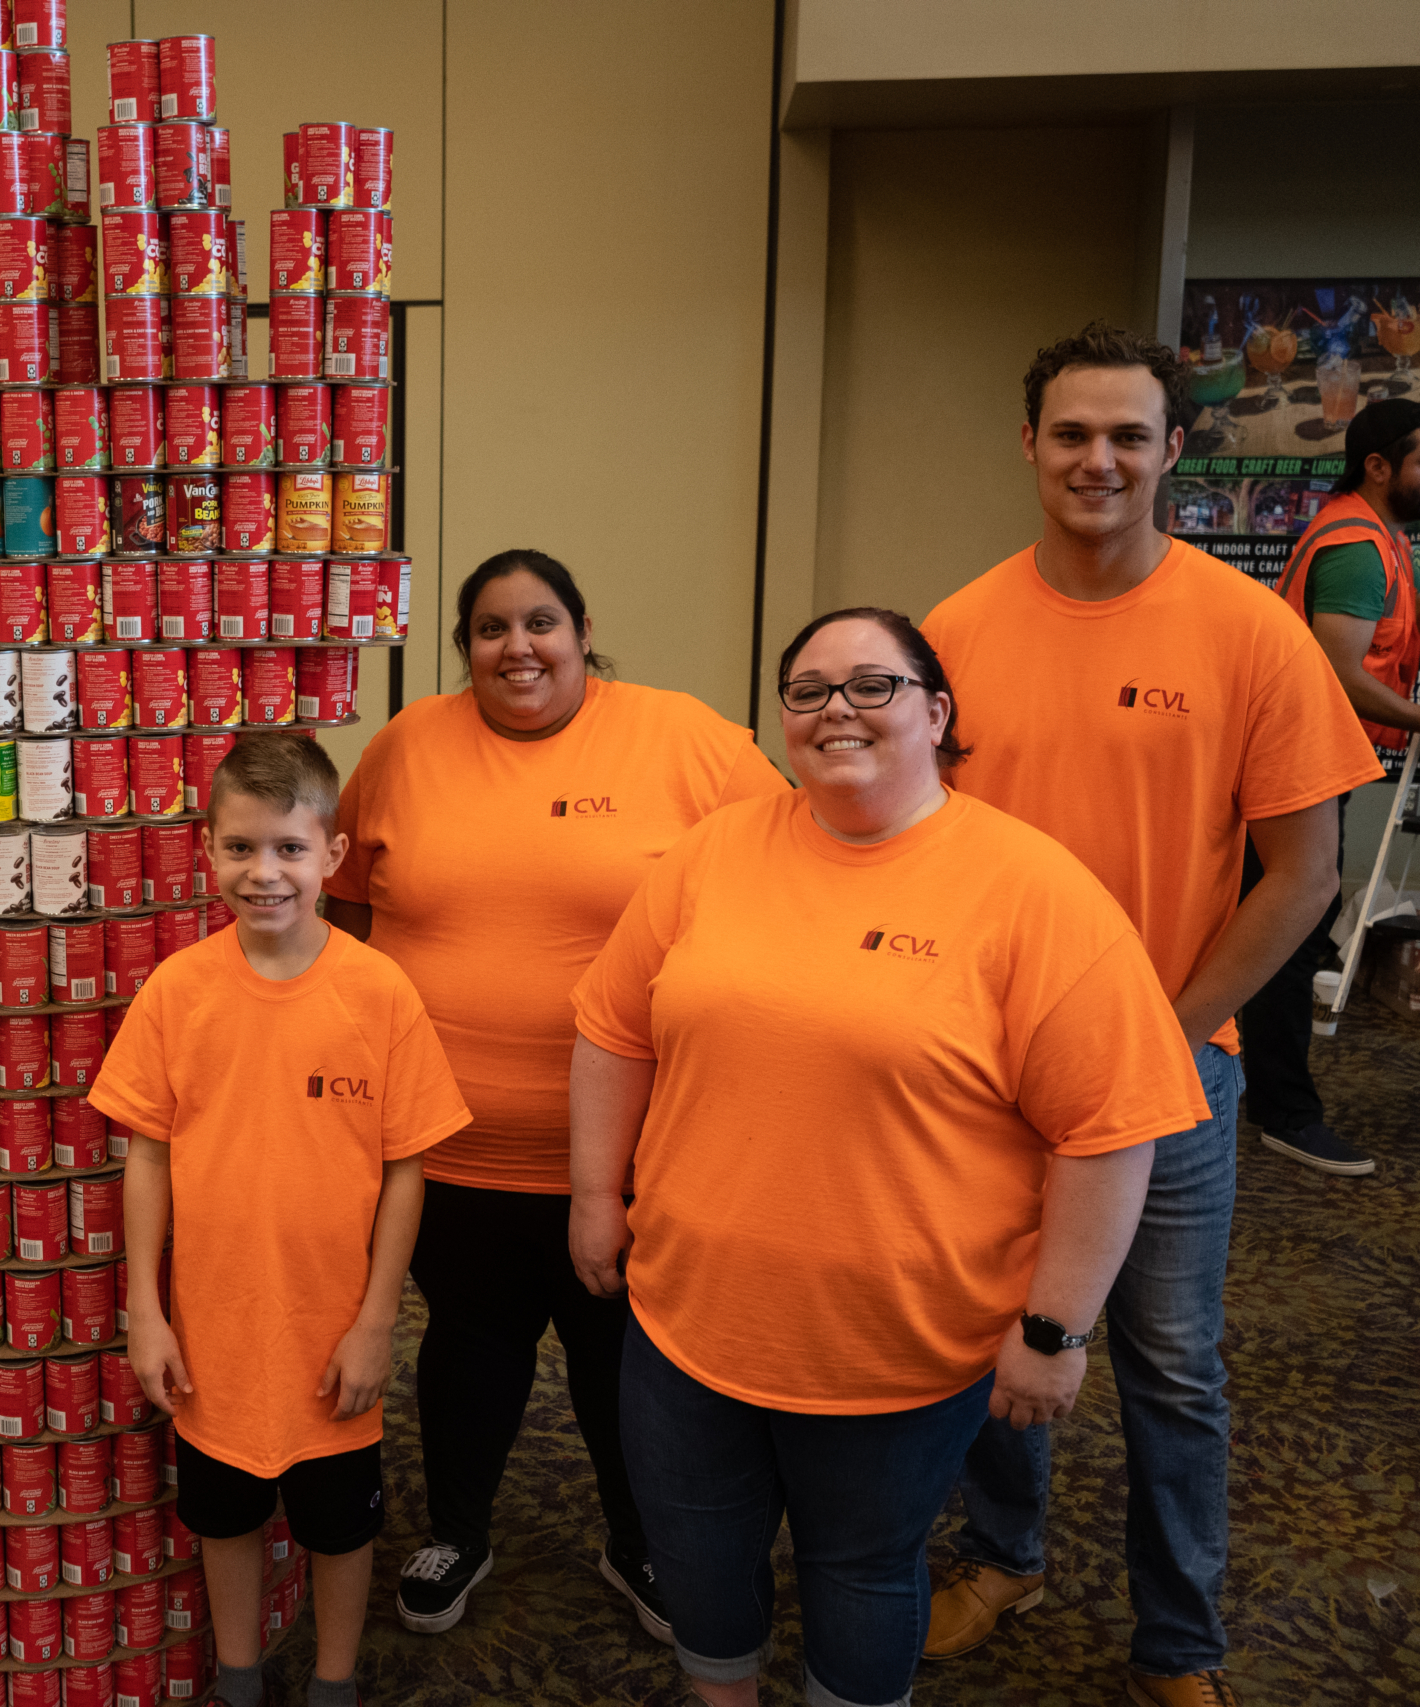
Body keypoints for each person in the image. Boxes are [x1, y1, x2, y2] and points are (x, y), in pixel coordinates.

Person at [568, 606, 1207, 1707]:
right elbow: (613, 1028)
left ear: (936, 711)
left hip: (897, 1349)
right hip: (687, 1320)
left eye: (873, 685)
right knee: (702, 1565)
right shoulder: (716, 852)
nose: (837, 711)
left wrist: (1054, 1329)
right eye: (807, 691)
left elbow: (1108, 1130)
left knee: (860, 1574)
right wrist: (592, 1193)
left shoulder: (1032, 889)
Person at [920, 324, 1382, 1707]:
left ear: (1175, 450)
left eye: (1129, 434)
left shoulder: (1253, 636)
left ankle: (1181, 1637)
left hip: (1179, 1068)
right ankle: (1006, 1557)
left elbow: (1307, 871)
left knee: (1173, 1366)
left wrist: (1171, 1030)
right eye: (1072, 433)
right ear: (1029, 447)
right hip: (990, 1073)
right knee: (995, 1342)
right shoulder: (954, 631)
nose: (1099, 458)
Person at [322, 548, 788, 1640]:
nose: (516, 647)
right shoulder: (405, 748)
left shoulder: (683, 739)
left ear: (582, 630)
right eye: (489, 628)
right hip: (449, 1143)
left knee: (618, 1359)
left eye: (540, 623)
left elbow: (793, 860)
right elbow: (340, 903)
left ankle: (638, 1543)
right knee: (469, 1344)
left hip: (629, 1150)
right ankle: (459, 1530)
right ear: (462, 647)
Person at [99, 734, 471, 1707]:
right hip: (212, 1334)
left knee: (339, 1529)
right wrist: (144, 1307)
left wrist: (376, 1320)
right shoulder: (178, 992)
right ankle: (238, 1677)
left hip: (330, 1336)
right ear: (206, 848)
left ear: (332, 857)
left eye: (290, 851)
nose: (264, 873)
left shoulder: (378, 993)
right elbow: (146, 1154)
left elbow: (405, 1168)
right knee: (222, 1517)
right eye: (240, 848)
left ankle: (335, 1681)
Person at [1245, 396, 1420, 1176]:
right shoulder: (1356, 545)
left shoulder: (1380, 536)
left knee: (1280, 926)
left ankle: (1255, 1087)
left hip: (1314, 763)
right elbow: (1340, 675)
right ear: (1380, 465)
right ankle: (1283, 1110)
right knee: (1287, 933)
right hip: (1293, 764)